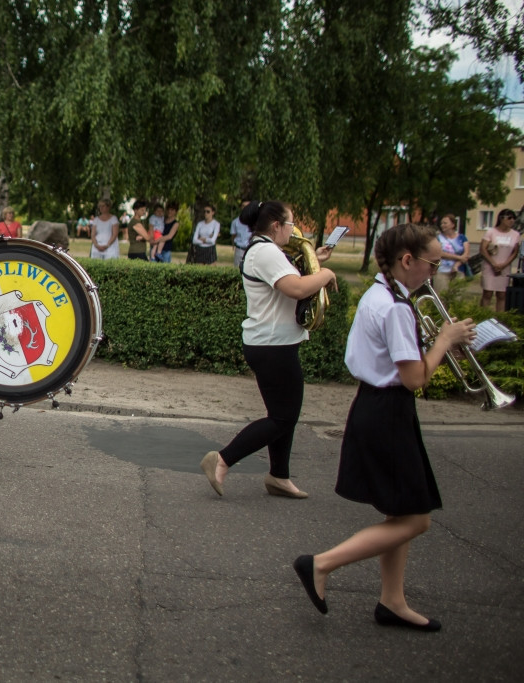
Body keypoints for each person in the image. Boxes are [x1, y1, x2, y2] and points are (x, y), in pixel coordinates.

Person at [292, 222, 475, 632]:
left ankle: (392, 600)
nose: (435, 273)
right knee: (416, 518)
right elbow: (415, 378)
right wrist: (444, 341)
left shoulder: (380, 294)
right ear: (407, 260)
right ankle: (320, 564)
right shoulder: (396, 307)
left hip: (375, 406)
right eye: (433, 264)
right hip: (388, 410)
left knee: (401, 510)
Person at [200, 200, 336, 499]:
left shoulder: (265, 250)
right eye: (290, 223)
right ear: (276, 225)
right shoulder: (266, 251)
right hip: (273, 345)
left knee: (281, 414)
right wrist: (325, 275)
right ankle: (222, 459)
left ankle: (279, 477)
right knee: (283, 417)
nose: (293, 229)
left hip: (272, 343)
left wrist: (317, 261)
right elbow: (298, 289)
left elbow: (292, 280)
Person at [480, 208, 521, 311]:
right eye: (509, 218)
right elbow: (483, 249)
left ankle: (499, 318)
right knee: (488, 293)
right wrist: (493, 263)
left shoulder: (515, 234)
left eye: (513, 218)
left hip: (504, 267)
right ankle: (483, 315)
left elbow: (515, 252)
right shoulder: (491, 232)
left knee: (502, 294)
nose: (512, 221)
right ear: (501, 218)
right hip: (490, 266)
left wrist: (504, 265)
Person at [435, 214, 469, 290]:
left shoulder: (462, 238)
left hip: (458, 271)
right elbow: (439, 253)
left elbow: (466, 255)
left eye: (445, 223)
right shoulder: (438, 238)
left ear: (453, 224)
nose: (442, 225)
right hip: (441, 271)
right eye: (441, 223)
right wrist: (459, 257)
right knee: (441, 297)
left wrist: (456, 265)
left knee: (457, 297)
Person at [230, 201, 252, 268]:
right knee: (237, 269)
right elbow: (233, 235)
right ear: (241, 207)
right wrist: (233, 245)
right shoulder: (235, 222)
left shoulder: (255, 222)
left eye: (247, 206)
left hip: (251, 249)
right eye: (243, 206)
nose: (245, 208)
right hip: (239, 249)